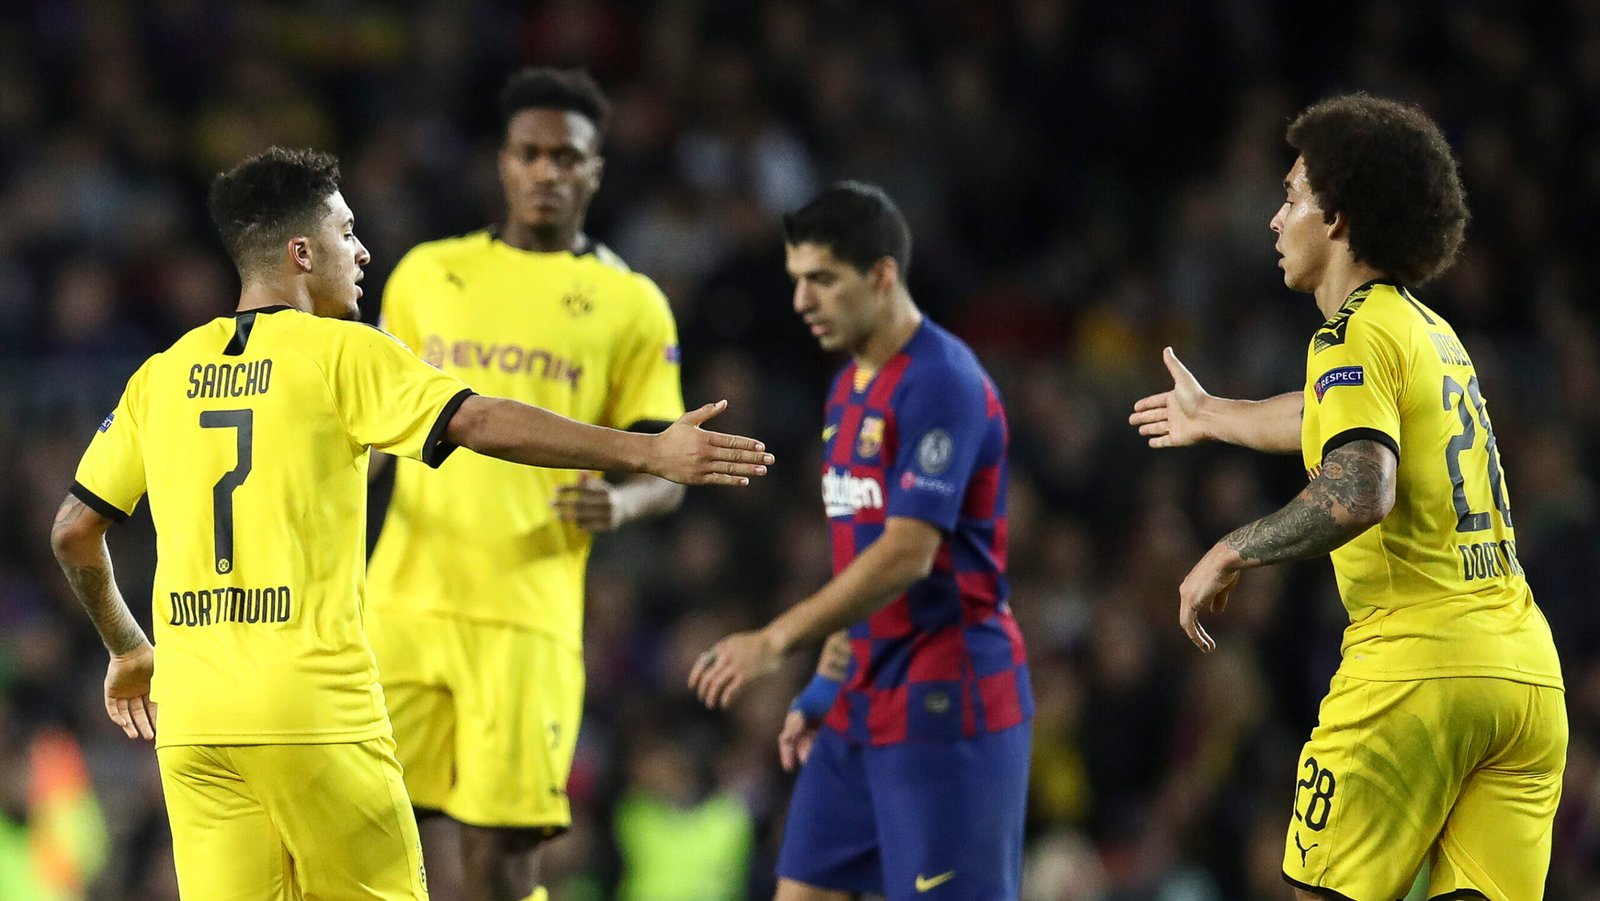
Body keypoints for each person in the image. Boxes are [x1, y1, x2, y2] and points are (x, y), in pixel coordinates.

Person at [48, 146, 771, 900]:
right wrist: (645, 449)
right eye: (346, 231)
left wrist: (129, 646)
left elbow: (73, 530)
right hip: (315, 714)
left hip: (196, 722)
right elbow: (482, 418)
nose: (362, 251)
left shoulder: (161, 373)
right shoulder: (344, 353)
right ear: (301, 252)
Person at [1129, 94, 1565, 901]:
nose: (1274, 218)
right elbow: (1324, 416)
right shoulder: (1430, 334)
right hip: (1522, 678)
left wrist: (1232, 548)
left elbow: (1361, 484)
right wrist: (1213, 413)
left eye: (1292, 196)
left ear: (1339, 219)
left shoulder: (1351, 333)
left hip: (1415, 671)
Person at [361, 67, 690, 901]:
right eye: (531, 153)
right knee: (366, 829)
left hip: (527, 616)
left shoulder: (631, 304)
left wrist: (621, 500)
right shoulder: (425, 276)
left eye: (567, 157)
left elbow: (666, 465)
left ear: (596, 170)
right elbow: (368, 426)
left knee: (503, 857)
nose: (548, 171)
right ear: (502, 163)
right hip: (402, 601)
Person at [689, 182, 1032, 901]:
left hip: (947, 703)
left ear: (882, 275)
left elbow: (909, 552)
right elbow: (861, 562)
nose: (801, 301)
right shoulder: (847, 386)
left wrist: (774, 640)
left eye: (822, 279)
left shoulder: (944, 380)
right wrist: (825, 679)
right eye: (795, 281)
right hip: (860, 698)